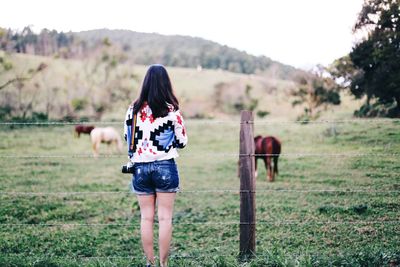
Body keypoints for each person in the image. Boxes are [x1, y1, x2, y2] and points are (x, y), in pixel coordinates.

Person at [124, 64, 188, 267]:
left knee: (146, 218)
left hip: (140, 168)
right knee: (165, 218)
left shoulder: (132, 110)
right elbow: (182, 142)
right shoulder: (172, 111)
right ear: (166, 84)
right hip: (165, 167)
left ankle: (150, 263)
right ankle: (163, 264)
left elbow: (128, 138)